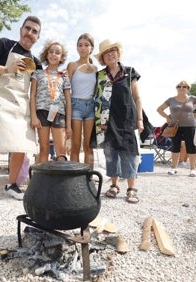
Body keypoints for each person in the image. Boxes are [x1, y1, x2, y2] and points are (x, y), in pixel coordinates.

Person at [0, 16, 42, 209]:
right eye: (27, 29)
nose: (29, 33)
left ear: (38, 37)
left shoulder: (36, 62)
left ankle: (12, 184)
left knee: (20, 145)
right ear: (20, 29)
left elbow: (36, 91)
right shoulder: (4, 45)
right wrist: (7, 68)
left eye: (34, 31)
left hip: (21, 105)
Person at [91, 39, 143, 204]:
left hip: (126, 118)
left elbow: (137, 97)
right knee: (111, 152)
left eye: (113, 50)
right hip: (106, 120)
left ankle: (131, 188)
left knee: (129, 152)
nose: (110, 54)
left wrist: (140, 119)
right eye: (106, 52)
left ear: (118, 53)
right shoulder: (99, 75)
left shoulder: (129, 72)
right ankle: (114, 185)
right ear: (102, 58)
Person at [157, 80, 196, 177]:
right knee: (175, 147)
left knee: (191, 146)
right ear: (176, 88)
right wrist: (167, 117)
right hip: (175, 126)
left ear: (188, 89)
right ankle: (174, 168)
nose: (181, 88)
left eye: (184, 86)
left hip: (189, 125)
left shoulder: (192, 99)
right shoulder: (171, 100)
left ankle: (193, 169)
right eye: (179, 86)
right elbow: (159, 109)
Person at [30, 41, 71, 163]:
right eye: (51, 52)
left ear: (61, 58)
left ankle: (61, 181)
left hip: (59, 113)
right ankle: (43, 179)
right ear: (46, 54)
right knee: (44, 149)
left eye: (57, 53)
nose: (54, 55)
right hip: (41, 112)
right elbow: (32, 95)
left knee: (61, 151)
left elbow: (68, 101)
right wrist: (33, 116)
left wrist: (69, 125)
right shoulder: (38, 73)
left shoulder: (64, 76)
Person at [66, 33, 97, 168]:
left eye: (86, 45)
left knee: (89, 145)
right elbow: (66, 88)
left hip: (91, 106)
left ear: (92, 48)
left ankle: (88, 177)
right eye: (80, 45)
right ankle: (75, 178)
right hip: (76, 105)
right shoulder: (72, 65)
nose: (83, 48)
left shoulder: (96, 69)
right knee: (76, 144)